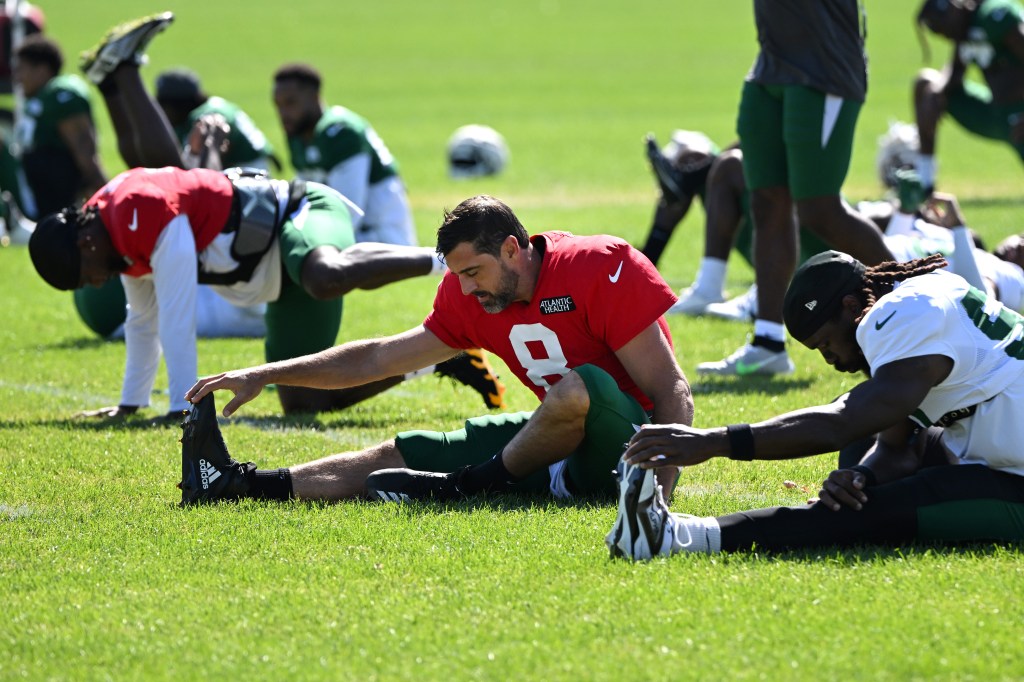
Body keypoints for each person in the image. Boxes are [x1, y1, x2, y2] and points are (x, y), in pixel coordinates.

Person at [179, 194, 693, 507]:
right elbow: (379, 358)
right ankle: (240, 486)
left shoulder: (598, 265)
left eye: (474, 272)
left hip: (629, 447)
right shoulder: (469, 293)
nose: (466, 290)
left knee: (579, 388)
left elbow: (672, 393)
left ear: (512, 249)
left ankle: (470, 487)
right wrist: (267, 374)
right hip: (562, 444)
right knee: (402, 454)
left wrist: (657, 502)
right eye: (458, 275)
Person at [607, 250, 1024, 559]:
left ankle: (679, 537)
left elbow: (844, 421)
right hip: (989, 437)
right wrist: (861, 475)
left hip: (1016, 484)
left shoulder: (899, 316)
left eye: (826, 342)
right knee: (861, 462)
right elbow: (894, 446)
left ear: (849, 307)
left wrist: (712, 442)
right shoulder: (914, 298)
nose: (831, 360)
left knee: (887, 506)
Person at [698, 0, 894, 377]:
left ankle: (916, 299)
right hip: (770, 66)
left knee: (820, 209)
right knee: (767, 202)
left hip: (824, 65)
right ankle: (769, 342)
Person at [639, 130, 827, 318]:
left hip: (818, 238)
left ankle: (646, 267)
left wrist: (696, 173)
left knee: (723, 165)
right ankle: (650, 266)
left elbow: (771, 141)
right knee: (706, 165)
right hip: (789, 240)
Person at [272, 62, 417, 246]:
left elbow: (348, 213)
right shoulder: (297, 133)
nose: (283, 113)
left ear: (314, 97)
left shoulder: (342, 131)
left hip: (383, 235)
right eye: (278, 105)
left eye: (291, 103)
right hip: (354, 232)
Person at [914, 0, 1024, 191]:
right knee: (925, 85)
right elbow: (956, 71)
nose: (945, 37)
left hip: (1020, 117)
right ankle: (925, 184)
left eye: (943, 28)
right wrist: (936, 92)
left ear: (954, 10)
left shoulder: (993, 16)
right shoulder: (964, 27)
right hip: (997, 115)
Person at [12, 33, 106, 218]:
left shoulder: (60, 94)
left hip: (51, 199)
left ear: (41, 70)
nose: (17, 78)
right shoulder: (41, 96)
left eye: (21, 69)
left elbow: (86, 157)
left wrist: (111, 202)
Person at [154, 67, 279, 172]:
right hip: (256, 164)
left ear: (179, 104)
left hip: (245, 170)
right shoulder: (216, 104)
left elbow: (196, 166)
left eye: (163, 106)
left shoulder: (205, 117)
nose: (160, 112)